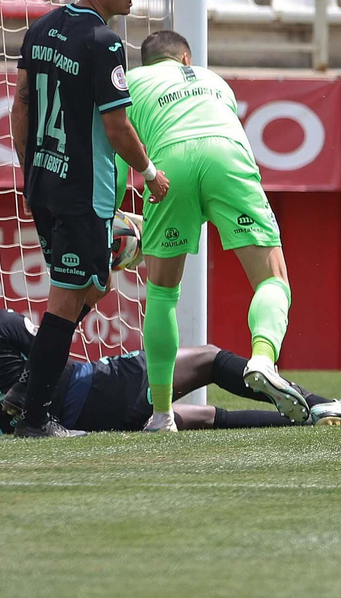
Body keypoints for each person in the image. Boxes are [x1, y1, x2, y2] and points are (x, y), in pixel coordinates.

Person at [0, 239, 341, 435]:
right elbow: (51, 348)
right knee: (211, 358)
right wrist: (90, 295)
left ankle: (304, 422)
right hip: (91, 389)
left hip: (71, 420)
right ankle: (321, 405)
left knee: (190, 415)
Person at [4, 0, 170, 437]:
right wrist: (149, 172)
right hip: (82, 192)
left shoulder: (40, 29)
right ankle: (34, 417)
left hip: (45, 181)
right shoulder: (104, 43)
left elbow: (22, 106)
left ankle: (28, 386)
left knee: (95, 282)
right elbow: (118, 129)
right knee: (68, 296)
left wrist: (31, 168)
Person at [113, 29, 303, 432]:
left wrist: (109, 214)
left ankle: (162, 413)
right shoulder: (215, 80)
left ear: (148, 63)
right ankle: (263, 360)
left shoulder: (131, 82)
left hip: (167, 164)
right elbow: (220, 133)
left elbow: (116, 147)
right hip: (228, 157)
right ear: (186, 59)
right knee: (273, 280)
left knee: (163, 294)